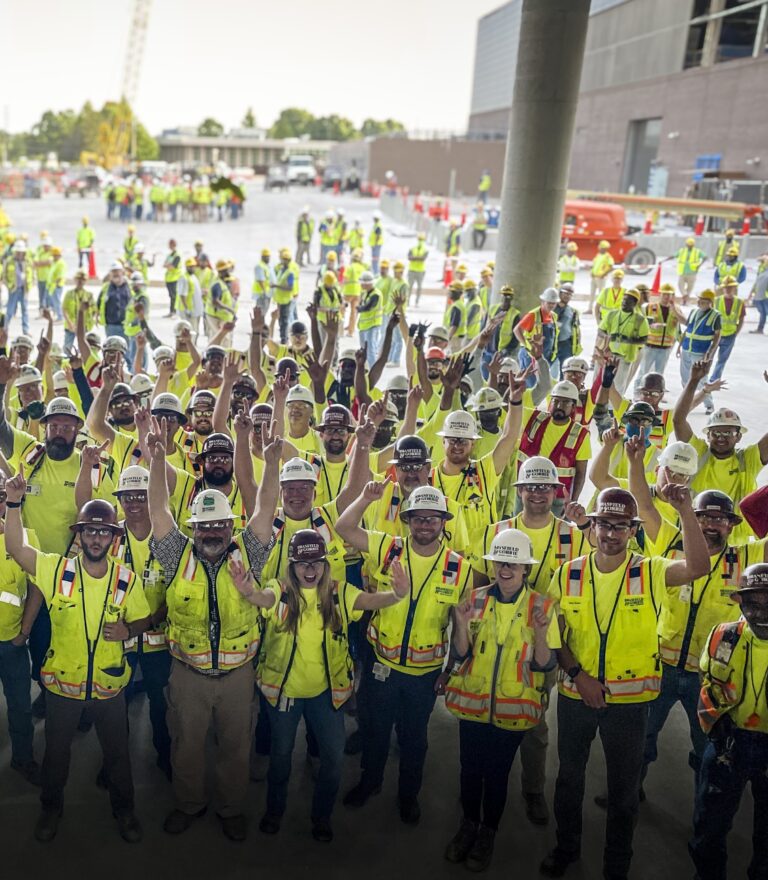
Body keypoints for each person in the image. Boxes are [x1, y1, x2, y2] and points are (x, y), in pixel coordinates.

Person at [539, 486, 709, 880]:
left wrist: (685, 510)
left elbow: (698, 566)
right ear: (592, 525)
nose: (611, 534)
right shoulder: (568, 573)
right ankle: (567, 847)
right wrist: (579, 677)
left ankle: (617, 866)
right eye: (604, 525)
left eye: (620, 527)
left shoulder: (650, 570)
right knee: (568, 780)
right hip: (576, 696)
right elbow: (554, 635)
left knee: (624, 793)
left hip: (631, 706)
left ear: (632, 531)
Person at [235, 524, 409, 842]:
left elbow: (371, 602)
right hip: (284, 692)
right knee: (282, 756)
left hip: (326, 694)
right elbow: (263, 598)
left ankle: (322, 816)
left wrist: (398, 594)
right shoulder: (282, 590)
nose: (310, 570)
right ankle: (274, 810)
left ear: (326, 565)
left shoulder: (339, 593)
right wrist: (248, 592)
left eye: (316, 562)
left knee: (332, 758)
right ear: (292, 566)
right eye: (303, 563)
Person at [146, 416, 274, 842]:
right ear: (193, 529)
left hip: (239, 677)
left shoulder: (247, 556)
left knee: (237, 750)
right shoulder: (176, 556)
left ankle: (231, 809)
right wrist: (157, 460)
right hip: (188, 677)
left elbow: (266, 509)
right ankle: (189, 804)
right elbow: (159, 511)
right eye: (204, 526)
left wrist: (270, 462)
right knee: (186, 747)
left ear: (230, 527)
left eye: (219, 524)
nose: (212, 532)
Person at [5, 484, 150, 844]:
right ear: (80, 535)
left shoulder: (125, 579)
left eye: (103, 531)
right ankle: (51, 809)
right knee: (56, 757)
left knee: (118, 756)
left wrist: (129, 628)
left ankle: (125, 810)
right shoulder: (56, 571)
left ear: (113, 537)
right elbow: (16, 547)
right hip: (62, 689)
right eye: (90, 530)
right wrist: (12, 503)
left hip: (110, 687)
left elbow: (145, 619)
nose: (96, 537)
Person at [337, 484, 472, 823]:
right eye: (418, 519)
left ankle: (408, 795)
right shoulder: (388, 548)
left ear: (444, 522)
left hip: (424, 675)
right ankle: (371, 782)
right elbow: (343, 528)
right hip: (381, 665)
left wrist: (450, 671)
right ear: (407, 519)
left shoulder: (460, 569)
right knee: (375, 731)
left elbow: (461, 627)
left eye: (433, 519)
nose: (425, 525)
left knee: (414, 740)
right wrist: (366, 497)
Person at [444, 528, 559, 871]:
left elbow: (545, 663)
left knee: (496, 774)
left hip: (513, 710)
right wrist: (461, 625)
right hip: (473, 703)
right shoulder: (474, 599)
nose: (505, 569)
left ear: (526, 569)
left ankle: (487, 832)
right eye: (499, 562)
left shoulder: (542, 606)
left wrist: (540, 633)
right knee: (469, 769)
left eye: (514, 563)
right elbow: (461, 655)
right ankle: (467, 824)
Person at [692, 563, 768, 880]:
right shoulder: (725, 636)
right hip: (729, 742)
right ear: (740, 602)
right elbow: (708, 679)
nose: (761, 613)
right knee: (709, 824)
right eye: (752, 603)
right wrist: (716, 724)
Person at [673, 369, 768, 542]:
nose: (721, 438)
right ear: (707, 435)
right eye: (716, 433)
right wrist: (693, 381)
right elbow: (678, 420)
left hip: (735, 543)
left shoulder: (748, 459)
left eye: (728, 433)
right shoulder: (698, 452)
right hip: (696, 537)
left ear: (738, 436)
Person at [0, 471, 41, 786]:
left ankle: (23, 759)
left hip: (11, 643)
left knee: (20, 706)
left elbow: (36, 588)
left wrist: (24, 633)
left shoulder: (26, 537)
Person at [517, 381, 591, 512]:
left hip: (557, 499)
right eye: (556, 401)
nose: (559, 406)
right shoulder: (533, 418)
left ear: (573, 407)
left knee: (553, 532)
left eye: (565, 403)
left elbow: (581, 473)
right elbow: (511, 409)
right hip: (526, 491)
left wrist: (572, 502)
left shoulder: (581, 434)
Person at [595, 288, 649, 396]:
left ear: (634, 303)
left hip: (624, 358)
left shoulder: (640, 319)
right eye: (623, 300)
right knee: (599, 385)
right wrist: (607, 336)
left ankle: (613, 411)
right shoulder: (612, 314)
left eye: (628, 301)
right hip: (607, 356)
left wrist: (628, 340)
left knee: (618, 388)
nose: (624, 303)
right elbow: (600, 330)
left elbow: (645, 338)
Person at [676, 288, 721, 414]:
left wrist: (710, 353)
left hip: (700, 352)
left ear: (710, 302)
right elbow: (687, 330)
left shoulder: (715, 316)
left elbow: (717, 336)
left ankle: (709, 405)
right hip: (687, 349)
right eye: (699, 300)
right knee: (685, 378)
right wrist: (679, 346)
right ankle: (687, 401)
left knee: (702, 379)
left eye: (703, 301)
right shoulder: (694, 312)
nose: (700, 302)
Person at [634, 282, 684, 381]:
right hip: (650, 346)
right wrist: (651, 326)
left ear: (672, 296)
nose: (666, 297)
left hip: (665, 348)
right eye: (664, 294)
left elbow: (679, 329)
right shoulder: (649, 307)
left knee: (659, 374)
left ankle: (654, 393)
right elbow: (641, 325)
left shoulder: (676, 309)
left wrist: (680, 346)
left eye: (669, 294)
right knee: (643, 372)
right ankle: (637, 392)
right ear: (660, 294)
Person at [710, 276, 745, 383]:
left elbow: (741, 318)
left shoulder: (739, 302)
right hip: (716, 334)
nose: (728, 289)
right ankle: (702, 378)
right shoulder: (716, 301)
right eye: (726, 287)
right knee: (708, 356)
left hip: (730, 335)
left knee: (722, 360)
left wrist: (736, 333)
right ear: (723, 288)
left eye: (730, 287)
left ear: (734, 288)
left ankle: (714, 379)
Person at [98, 262, 131, 341]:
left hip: (126, 324)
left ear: (122, 272)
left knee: (127, 349)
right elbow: (98, 304)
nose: (116, 273)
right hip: (111, 325)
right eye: (113, 272)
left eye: (117, 271)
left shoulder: (129, 287)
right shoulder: (106, 287)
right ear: (110, 274)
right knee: (112, 347)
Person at [554, 282, 581, 375]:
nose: (567, 296)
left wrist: (577, 346)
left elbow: (577, 330)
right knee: (549, 370)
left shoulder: (573, 312)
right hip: (551, 342)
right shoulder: (552, 307)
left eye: (570, 294)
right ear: (560, 293)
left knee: (565, 370)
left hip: (565, 344)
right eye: (565, 293)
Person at [676, 236, 704, 304]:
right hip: (682, 271)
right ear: (686, 244)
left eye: (691, 245)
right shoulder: (682, 251)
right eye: (688, 245)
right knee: (680, 285)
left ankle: (685, 300)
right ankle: (684, 296)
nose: (689, 247)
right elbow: (674, 255)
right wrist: (664, 260)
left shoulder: (697, 251)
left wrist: (699, 265)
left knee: (690, 287)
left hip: (692, 272)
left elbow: (705, 257)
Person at [588, 241, 614, 312]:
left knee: (601, 294)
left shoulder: (608, 257)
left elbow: (611, 267)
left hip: (601, 278)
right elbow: (594, 265)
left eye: (602, 247)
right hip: (594, 277)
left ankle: (600, 309)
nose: (600, 249)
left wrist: (603, 274)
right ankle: (590, 309)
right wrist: (592, 272)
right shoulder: (598, 255)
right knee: (592, 294)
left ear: (605, 248)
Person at [407, 233, 428, 305]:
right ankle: (407, 301)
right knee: (409, 287)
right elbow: (409, 257)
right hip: (412, 270)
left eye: (422, 239)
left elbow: (423, 258)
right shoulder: (412, 248)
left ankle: (417, 301)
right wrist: (418, 257)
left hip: (420, 271)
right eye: (419, 239)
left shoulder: (425, 250)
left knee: (419, 287)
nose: (420, 241)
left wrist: (414, 257)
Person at [163, 239, 181, 317]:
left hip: (175, 278)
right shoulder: (169, 255)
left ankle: (174, 311)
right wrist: (168, 265)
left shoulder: (177, 255)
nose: (170, 246)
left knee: (174, 296)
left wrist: (168, 265)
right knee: (171, 296)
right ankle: (171, 311)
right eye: (169, 244)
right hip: (168, 279)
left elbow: (172, 266)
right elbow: (164, 265)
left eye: (171, 244)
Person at [253, 247, 274, 315]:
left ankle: (261, 324)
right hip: (262, 293)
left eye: (268, 256)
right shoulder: (259, 266)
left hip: (266, 292)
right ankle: (259, 324)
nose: (267, 258)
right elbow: (260, 280)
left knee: (264, 311)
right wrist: (265, 292)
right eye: (266, 257)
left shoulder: (266, 266)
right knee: (261, 312)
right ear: (262, 257)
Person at [369, 211, 384, 276]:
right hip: (375, 245)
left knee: (375, 260)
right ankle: (375, 272)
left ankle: (376, 273)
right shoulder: (376, 225)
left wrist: (375, 244)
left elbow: (378, 236)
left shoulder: (378, 226)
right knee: (374, 260)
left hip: (376, 245)